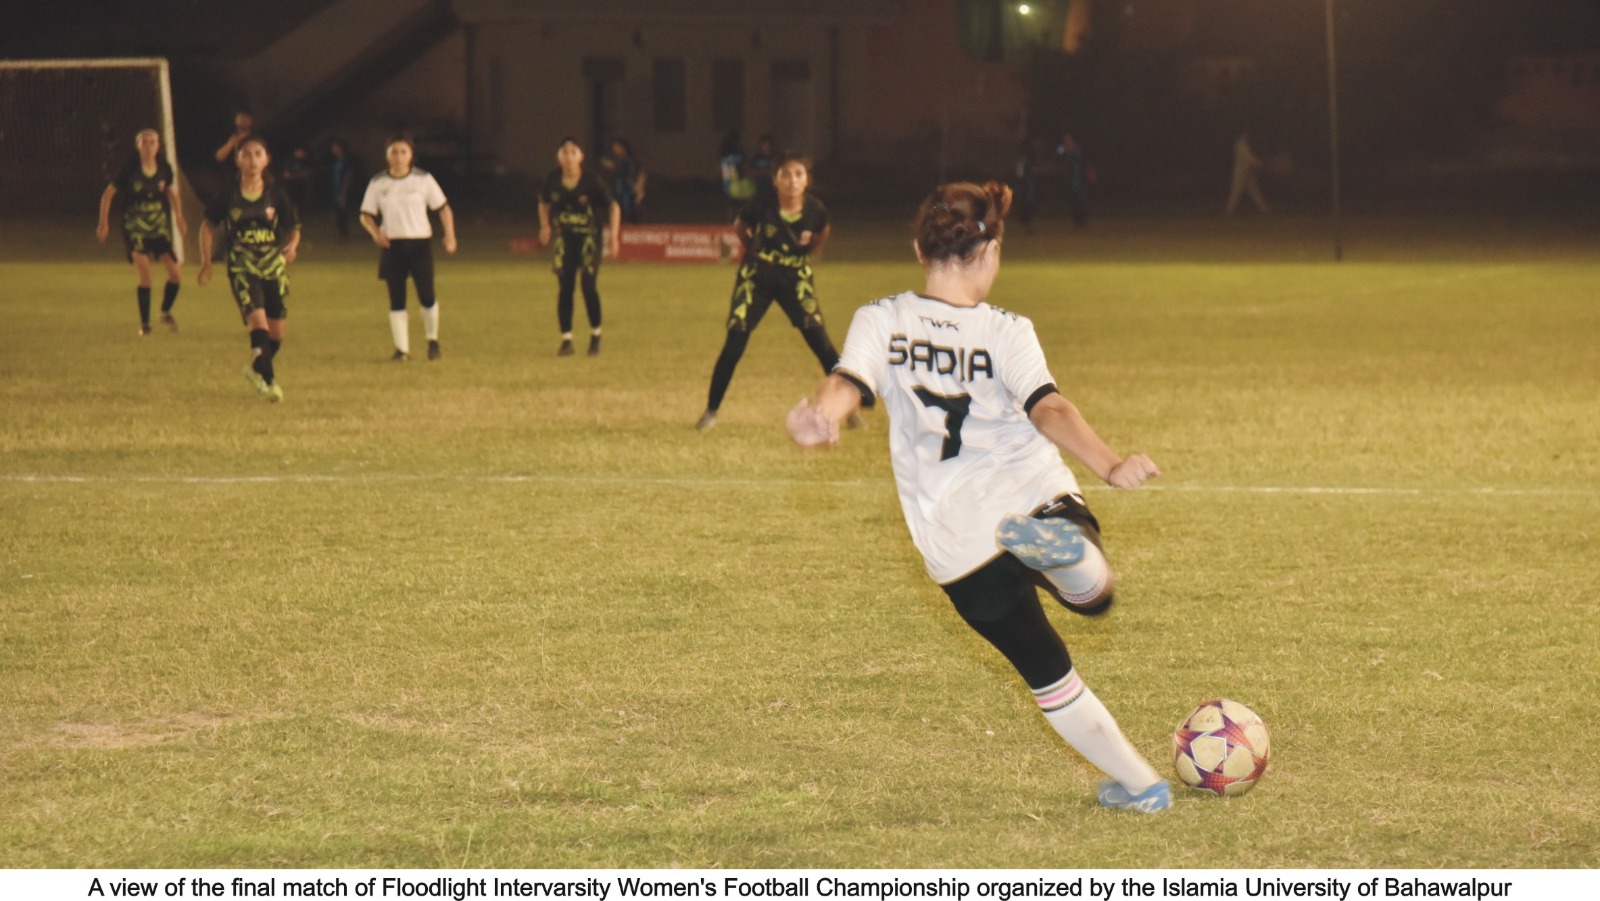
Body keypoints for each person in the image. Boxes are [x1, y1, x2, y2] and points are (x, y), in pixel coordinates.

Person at [784, 181, 1171, 813]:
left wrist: (821, 418)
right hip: (1030, 493)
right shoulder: (1007, 330)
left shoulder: (881, 318)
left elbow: (845, 383)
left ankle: (1141, 786)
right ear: (990, 251)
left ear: (919, 249)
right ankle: (1070, 560)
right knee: (1095, 601)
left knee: (1047, 671)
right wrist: (1110, 463)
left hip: (957, 545)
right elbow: (1050, 408)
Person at [696, 152, 854, 431]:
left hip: (795, 279)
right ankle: (711, 411)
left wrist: (804, 254)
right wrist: (757, 253)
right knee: (735, 342)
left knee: (821, 343)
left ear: (807, 180)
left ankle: (848, 408)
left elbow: (821, 233)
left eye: (798, 175)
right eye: (786, 175)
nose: (792, 181)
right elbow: (740, 227)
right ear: (775, 180)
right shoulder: (761, 204)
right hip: (757, 277)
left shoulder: (816, 209)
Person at [198, 136, 302, 403]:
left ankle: (256, 369)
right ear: (238, 160)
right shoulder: (228, 194)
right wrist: (207, 262)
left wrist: (291, 247)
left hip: (273, 268)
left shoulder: (275, 194)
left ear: (266, 160)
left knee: (277, 335)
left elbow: (293, 228)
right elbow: (207, 226)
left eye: (258, 154)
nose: (253, 160)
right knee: (258, 324)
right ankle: (269, 384)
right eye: (247, 154)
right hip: (243, 268)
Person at [359, 133, 458, 362]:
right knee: (396, 298)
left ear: (411, 155)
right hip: (393, 245)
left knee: (427, 295)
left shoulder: (423, 180)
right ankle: (402, 349)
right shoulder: (378, 183)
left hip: (419, 243)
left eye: (403, 152)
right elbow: (365, 215)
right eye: (394, 152)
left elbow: (443, 208)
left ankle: (432, 340)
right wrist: (376, 233)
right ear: (386, 155)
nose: (399, 157)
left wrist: (450, 236)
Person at [97, 128, 187, 335]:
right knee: (146, 274)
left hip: (158, 225)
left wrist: (179, 217)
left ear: (158, 146)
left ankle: (165, 311)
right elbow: (108, 195)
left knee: (176, 274)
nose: (148, 146)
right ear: (137, 146)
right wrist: (104, 223)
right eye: (144, 142)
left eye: (152, 142)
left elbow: (172, 193)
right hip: (134, 226)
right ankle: (145, 325)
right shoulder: (129, 169)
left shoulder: (164, 168)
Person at [538, 137, 620, 356]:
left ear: (581, 157)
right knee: (565, 287)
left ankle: (596, 334)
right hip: (564, 240)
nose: (569, 157)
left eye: (573, 152)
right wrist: (545, 226)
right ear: (559, 157)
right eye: (564, 152)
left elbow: (613, 207)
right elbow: (543, 201)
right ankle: (567, 340)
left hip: (589, 239)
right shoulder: (553, 179)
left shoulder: (591, 181)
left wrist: (614, 236)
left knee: (588, 285)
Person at [601, 137, 647, 224]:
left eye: (616, 146)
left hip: (628, 191)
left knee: (629, 211)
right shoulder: (619, 160)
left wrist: (638, 186)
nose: (614, 149)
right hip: (619, 190)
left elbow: (639, 173)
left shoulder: (629, 161)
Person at [1225, 131, 1269, 216]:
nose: (1250, 137)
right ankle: (1229, 210)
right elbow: (1250, 159)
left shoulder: (1246, 145)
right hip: (1241, 173)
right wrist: (1262, 164)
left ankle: (1264, 209)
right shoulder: (1241, 146)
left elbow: (1252, 160)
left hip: (1248, 172)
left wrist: (1261, 164)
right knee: (1236, 192)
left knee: (1255, 191)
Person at [328, 138, 358, 241]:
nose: (333, 150)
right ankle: (341, 233)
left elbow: (348, 177)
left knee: (343, 213)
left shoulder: (346, 161)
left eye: (335, 148)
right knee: (339, 212)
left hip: (343, 191)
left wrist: (344, 192)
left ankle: (344, 234)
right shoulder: (336, 161)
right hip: (335, 190)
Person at [718, 131, 752, 219]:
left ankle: (730, 225)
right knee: (738, 209)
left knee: (732, 209)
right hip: (736, 184)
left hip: (731, 185)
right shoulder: (737, 152)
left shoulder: (724, 152)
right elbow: (746, 167)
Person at [1059, 133, 1088, 227]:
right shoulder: (1064, 149)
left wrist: (1070, 151)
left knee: (1080, 201)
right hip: (1071, 181)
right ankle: (1077, 222)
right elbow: (1057, 152)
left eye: (1068, 139)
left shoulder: (1078, 150)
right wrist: (1064, 149)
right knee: (1073, 202)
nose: (1066, 141)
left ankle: (1081, 222)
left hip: (1079, 180)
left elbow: (1079, 159)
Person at [748, 134, 777, 207]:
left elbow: (775, 172)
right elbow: (751, 170)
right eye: (764, 146)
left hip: (771, 187)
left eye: (768, 146)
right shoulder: (756, 158)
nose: (766, 148)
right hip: (759, 187)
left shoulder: (775, 157)